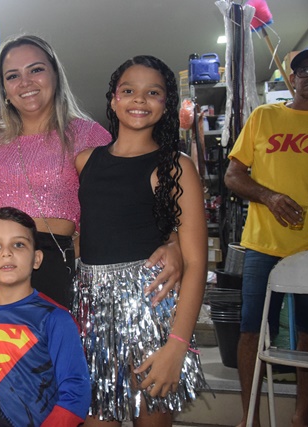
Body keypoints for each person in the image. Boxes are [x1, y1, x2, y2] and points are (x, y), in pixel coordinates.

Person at [0, 34, 184, 349]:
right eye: (13, 76)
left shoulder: (87, 134)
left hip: (51, 267)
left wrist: (173, 241)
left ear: (55, 74)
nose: (25, 82)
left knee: (42, 375)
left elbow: (132, 196)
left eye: (36, 70)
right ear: (5, 89)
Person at [72, 55, 208, 426]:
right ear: (113, 99)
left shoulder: (176, 165)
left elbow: (196, 262)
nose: (139, 100)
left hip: (149, 309)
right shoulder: (84, 161)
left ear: (166, 104)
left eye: (153, 93)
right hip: (91, 311)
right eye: (129, 90)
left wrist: (177, 346)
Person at [224, 46, 308, 427]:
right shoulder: (264, 117)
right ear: (292, 79)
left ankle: (301, 417)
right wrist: (269, 196)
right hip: (263, 245)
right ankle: (250, 419)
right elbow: (232, 176)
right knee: (251, 333)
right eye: (304, 70)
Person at [0, 207, 91, 426]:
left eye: (18, 244)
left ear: (37, 258)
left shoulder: (56, 319)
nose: (7, 253)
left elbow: (76, 394)